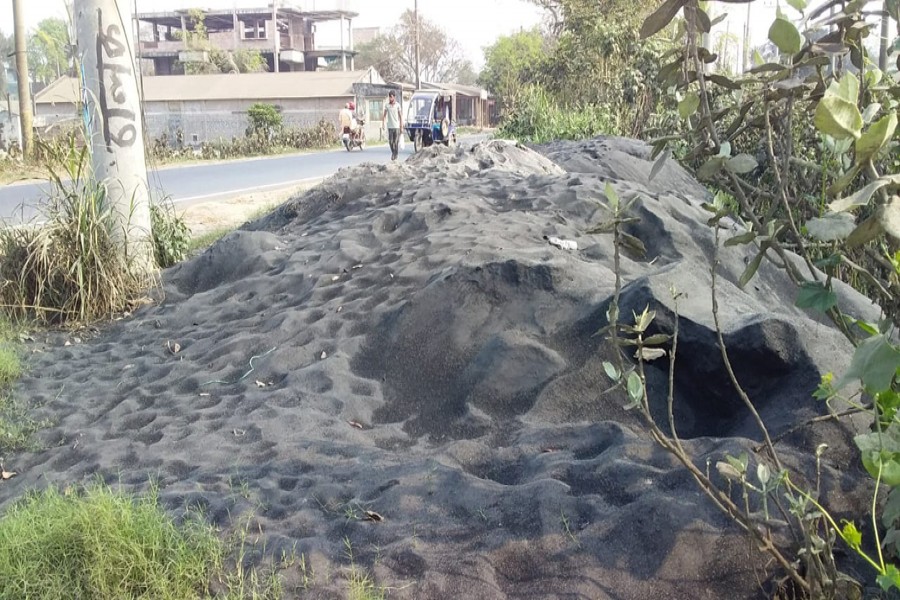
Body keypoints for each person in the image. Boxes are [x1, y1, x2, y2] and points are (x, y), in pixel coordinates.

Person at [382, 90, 403, 161]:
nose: (390, 98)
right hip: (390, 126)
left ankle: (395, 154)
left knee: (396, 142)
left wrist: (401, 126)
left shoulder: (398, 105)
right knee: (390, 142)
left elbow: (400, 116)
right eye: (389, 97)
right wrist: (383, 124)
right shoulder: (387, 105)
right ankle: (393, 152)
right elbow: (384, 116)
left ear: (394, 97)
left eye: (391, 97)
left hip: (396, 126)